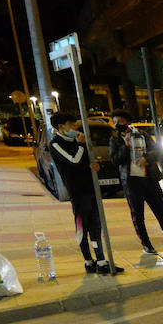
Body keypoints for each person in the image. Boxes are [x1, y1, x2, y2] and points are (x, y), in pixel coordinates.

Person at [48, 112, 122, 275]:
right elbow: (73, 161)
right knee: (82, 227)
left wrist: (93, 165)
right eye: (72, 125)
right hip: (78, 192)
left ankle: (101, 260)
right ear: (61, 127)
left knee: (95, 226)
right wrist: (81, 145)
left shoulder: (77, 141)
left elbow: (86, 161)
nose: (75, 128)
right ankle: (88, 261)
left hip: (91, 189)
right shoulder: (56, 144)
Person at [108, 111, 163, 255]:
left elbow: (157, 150)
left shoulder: (142, 134)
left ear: (128, 121)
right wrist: (126, 146)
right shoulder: (115, 139)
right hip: (131, 182)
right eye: (115, 122)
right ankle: (147, 245)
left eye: (120, 121)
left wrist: (146, 159)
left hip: (150, 179)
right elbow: (115, 160)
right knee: (138, 215)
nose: (118, 125)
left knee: (162, 212)